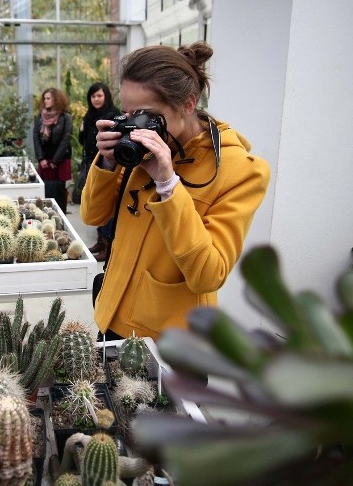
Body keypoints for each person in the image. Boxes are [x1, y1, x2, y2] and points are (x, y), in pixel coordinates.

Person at [81, 41, 271, 341]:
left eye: (146, 114)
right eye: (128, 113)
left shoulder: (241, 171)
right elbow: (93, 215)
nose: (136, 125)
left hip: (171, 342)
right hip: (110, 314)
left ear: (188, 104)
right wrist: (107, 161)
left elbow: (209, 273)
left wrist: (169, 184)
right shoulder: (140, 147)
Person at [78, 82, 122, 262]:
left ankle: (107, 244)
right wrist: (82, 129)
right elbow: (84, 141)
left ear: (106, 96)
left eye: (99, 95)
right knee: (95, 200)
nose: (96, 99)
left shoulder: (113, 115)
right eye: (93, 96)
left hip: (109, 166)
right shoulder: (89, 116)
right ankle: (100, 240)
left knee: (107, 203)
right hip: (92, 163)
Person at [33, 87, 73, 213]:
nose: (45, 101)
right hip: (45, 160)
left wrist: (55, 161)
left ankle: (60, 216)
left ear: (56, 99)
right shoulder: (39, 117)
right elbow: (36, 138)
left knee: (60, 191)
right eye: (44, 98)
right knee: (45, 190)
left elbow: (66, 139)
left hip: (60, 160)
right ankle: (46, 215)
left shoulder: (65, 117)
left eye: (48, 98)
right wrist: (41, 158)